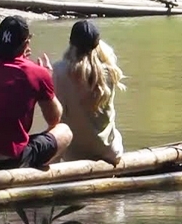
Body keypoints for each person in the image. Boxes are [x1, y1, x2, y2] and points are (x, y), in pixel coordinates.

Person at [0, 16, 74, 172]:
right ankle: (31, 177)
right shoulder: (38, 73)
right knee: (64, 131)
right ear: (26, 44)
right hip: (8, 161)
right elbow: (54, 119)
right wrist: (48, 80)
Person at [51, 19, 127, 166]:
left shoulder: (58, 71)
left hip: (73, 156)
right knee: (115, 133)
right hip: (110, 152)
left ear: (71, 43)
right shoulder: (110, 72)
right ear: (97, 44)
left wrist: (47, 76)